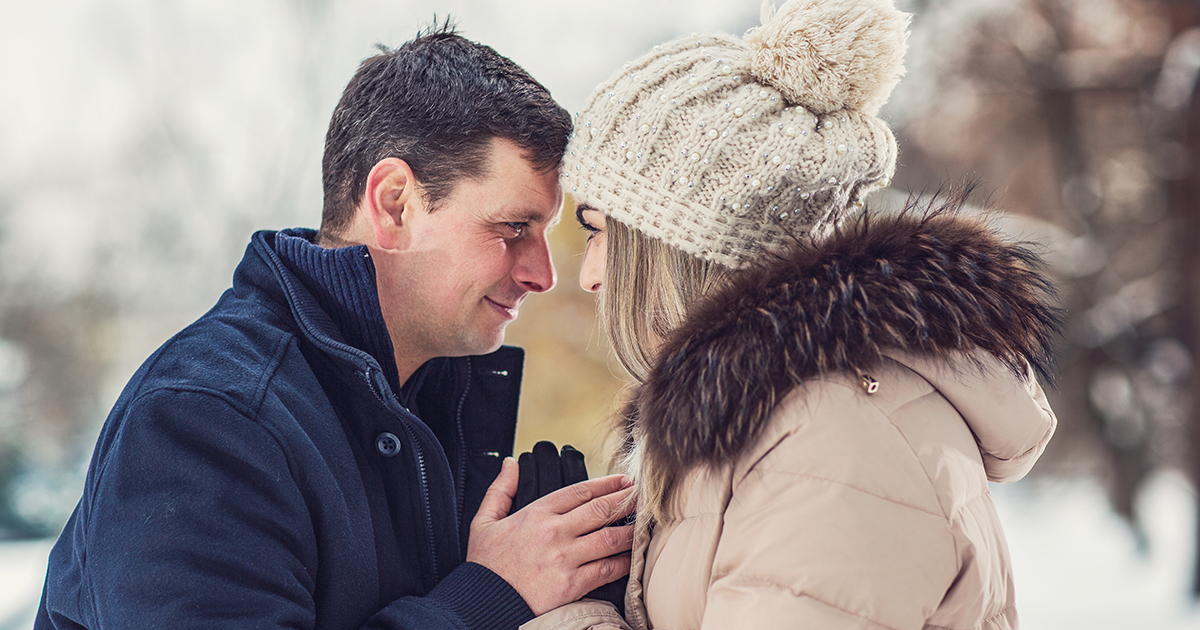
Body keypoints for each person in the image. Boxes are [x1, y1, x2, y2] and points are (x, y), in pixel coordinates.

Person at [36, 23, 635, 630]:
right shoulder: (207, 419)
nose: (543, 274)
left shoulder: (434, 400)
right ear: (395, 203)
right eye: (512, 228)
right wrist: (489, 596)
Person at [526, 0, 1061, 628]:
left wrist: (567, 616)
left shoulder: (828, 443)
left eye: (599, 231)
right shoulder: (776, 423)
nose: (589, 274)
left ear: (677, 247)